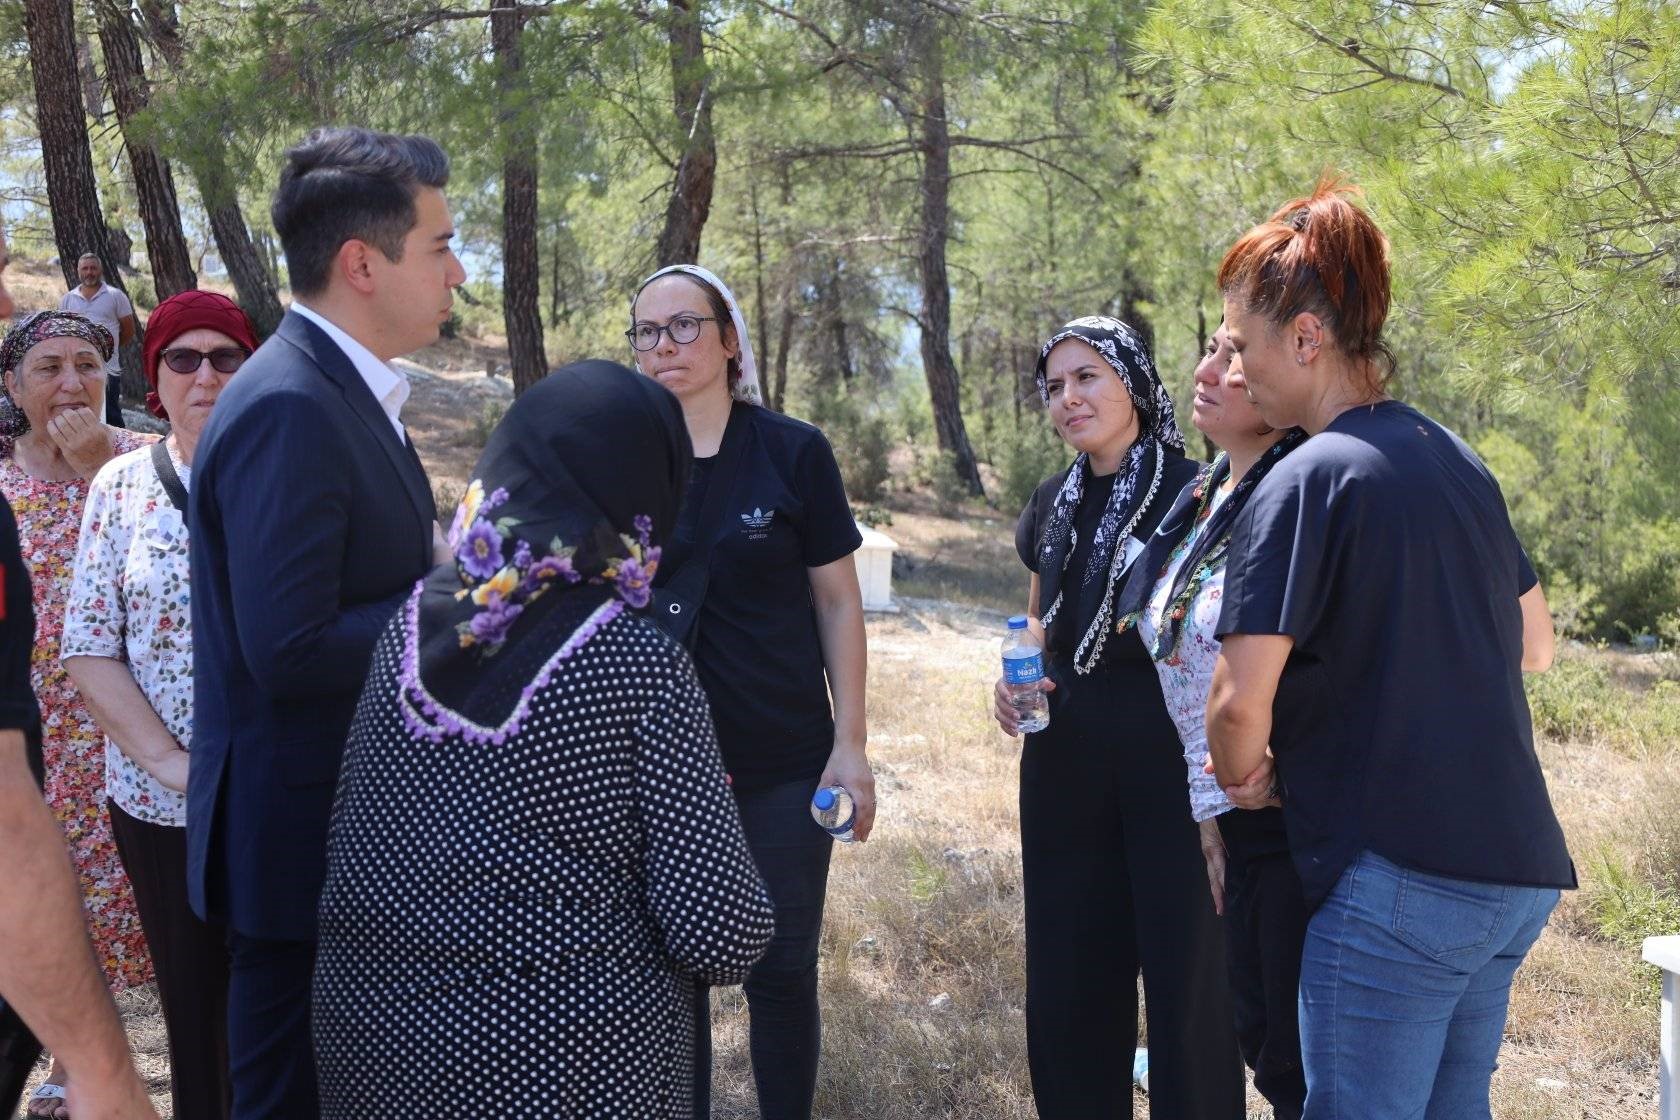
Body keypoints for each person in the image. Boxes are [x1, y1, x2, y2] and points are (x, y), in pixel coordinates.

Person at [314, 360, 775, 1118]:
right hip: (563, 1072)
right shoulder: (635, 661)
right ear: (647, 489)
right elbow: (719, 929)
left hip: (370, 1054)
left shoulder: (409, 625)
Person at [1207, 179, 1573, 1120]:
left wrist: (1250, 778)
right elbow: (1538, 645)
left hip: (1400, 883)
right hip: (1514, 872)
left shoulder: (1308, 477)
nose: (1236, 371)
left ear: (1305, 339)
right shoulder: (1455, 458)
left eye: (1242, 345)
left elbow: (1238, 706)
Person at [187, 127, 462, 1119]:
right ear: (361, 262)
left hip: (344, 838)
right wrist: (467, 597)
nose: (459, 271)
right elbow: (290, 649)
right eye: (439, 245)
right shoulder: (293, 405)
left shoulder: (346, 390)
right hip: (301, 851)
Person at [632, 264, 871, 1120]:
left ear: (730, 339)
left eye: (686, 326)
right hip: (656, 768)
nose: (666, 345)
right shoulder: (623, 460)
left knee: (779, 970)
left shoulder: (792, 451)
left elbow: (839, 600)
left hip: (783, 757)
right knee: (673, 976)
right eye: (648, 332)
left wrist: (851, 744)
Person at [994, 315, 1243, 1119]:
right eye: (1055, 385)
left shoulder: (1197, 492)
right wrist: (1011, 685)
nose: (1069, 398)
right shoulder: (1051, 502)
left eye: (1087, 377)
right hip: (1064, 770)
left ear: (1132, 380)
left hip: (1170, 775)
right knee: (1070, 979)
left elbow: (1216, 636)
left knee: (1186, 989)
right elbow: (1039, 626)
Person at [62, 290, 258, 1120]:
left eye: (225, 357)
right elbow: (89, 647)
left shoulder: (291, 472)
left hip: (278, 796)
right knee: (194, 1003)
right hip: (158, 801)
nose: (205, 374)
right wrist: (175, 767)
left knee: (286, 999)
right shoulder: (121, 485)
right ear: (155, 378)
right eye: (184, 358)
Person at [1115, 323, 1308, 1119]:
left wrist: (1273, 778)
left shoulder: (1297, 490)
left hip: (1286, 815)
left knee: (1302, 1063)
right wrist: (1208, 805)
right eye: (1211, 349)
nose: (1205, 370)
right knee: (1266, 1043)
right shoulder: (1204, 495)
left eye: (1233, 354)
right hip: (1223, 807)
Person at [0, 309, 154, 1118]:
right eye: (48, 368)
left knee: (137, 892)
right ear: (11, 386)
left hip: (133, 720)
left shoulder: (145, 464)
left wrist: (100, 468)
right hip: (31, 728)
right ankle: (70, 1063)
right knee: (53, 890)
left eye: (88, 365)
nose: (71, 384)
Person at [58, 254, 137, 427]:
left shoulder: (116, 296)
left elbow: (129, 330)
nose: (89, 272)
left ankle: (117, 451)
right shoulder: (68, 299)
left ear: (100, 270)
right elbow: (63, 333)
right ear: (78, 271)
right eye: (85, 268)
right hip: (77, 368)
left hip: (107, 367)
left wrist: (108, 349)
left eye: (93, 268)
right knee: (79, 412)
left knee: (110, 413)